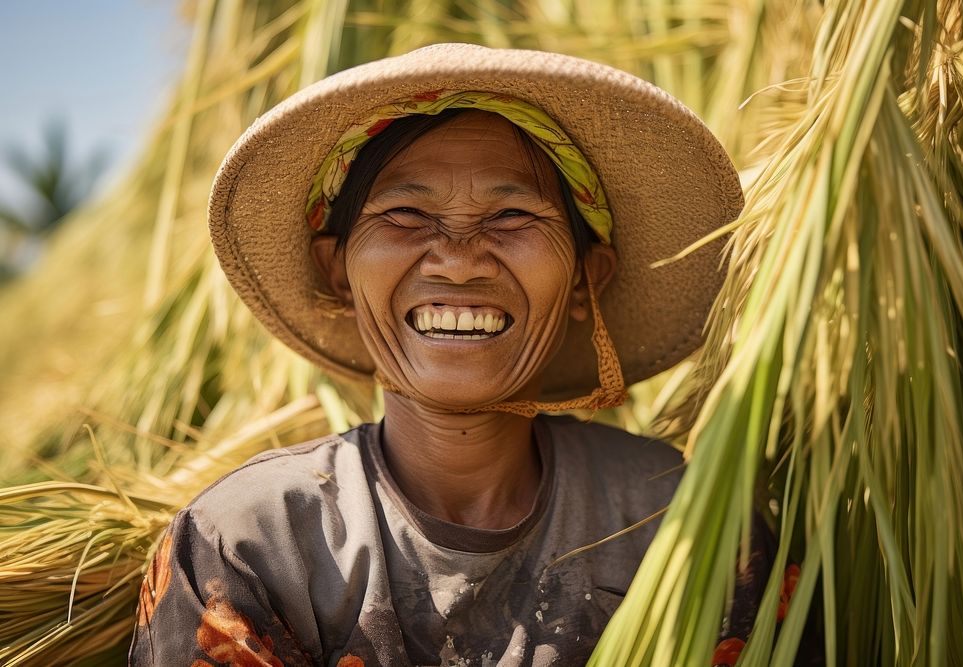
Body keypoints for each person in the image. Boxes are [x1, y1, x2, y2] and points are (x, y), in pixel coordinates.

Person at [129, 43, 753, 666]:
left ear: (588, 280)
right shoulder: (252, 543)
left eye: (511, 214)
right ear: (338, 272)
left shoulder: (678, 516)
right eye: (404, 214)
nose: (457, 259)